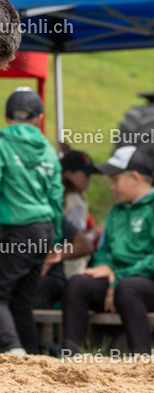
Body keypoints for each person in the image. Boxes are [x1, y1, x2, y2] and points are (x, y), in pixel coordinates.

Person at [0, 88, 63, 355]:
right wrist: (56, 237)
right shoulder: (48, 149)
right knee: (22, 299)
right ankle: (33, 355)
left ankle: (14, 350)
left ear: (6, 116)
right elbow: (56, 196)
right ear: (39, 118)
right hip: (44, 228)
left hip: (18, 228)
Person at [62, 146, 154, 356]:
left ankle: (143, 360)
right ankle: (70, 359)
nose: (111, 187)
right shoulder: (115, 211)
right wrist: (105, 265)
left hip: (143, 282)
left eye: (115, 180)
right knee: (78, 284)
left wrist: (118, 277)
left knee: (128, 288)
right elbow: (103, 250)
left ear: (135, 178)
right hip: (119, 280)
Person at [34, 149, 99, 308]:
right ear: (69, 174)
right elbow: (77, 237)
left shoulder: (57, 199)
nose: (89, 180)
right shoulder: (75, 201)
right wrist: (94, 232)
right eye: (86, 174)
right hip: (70, 263)